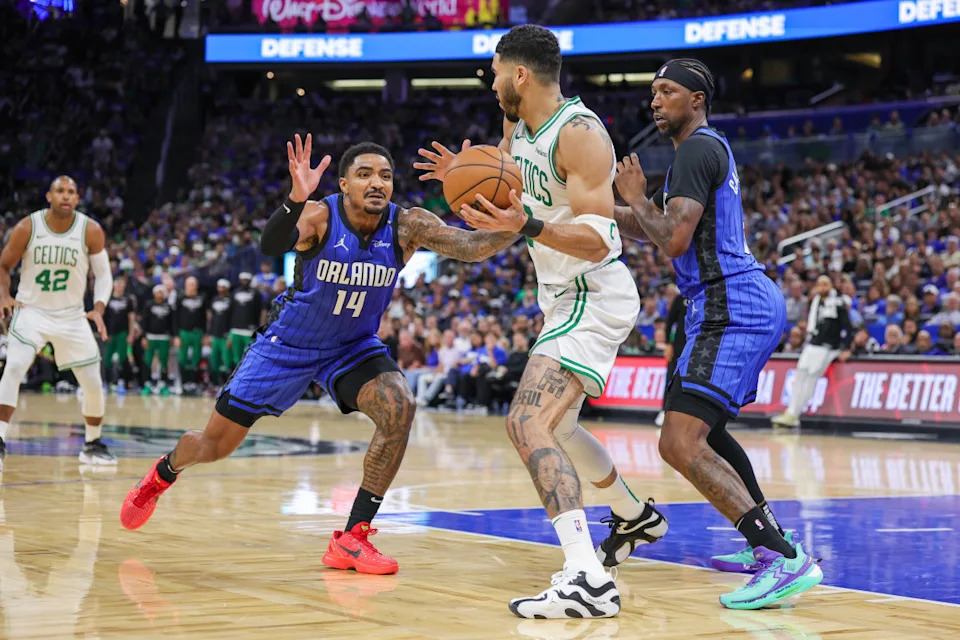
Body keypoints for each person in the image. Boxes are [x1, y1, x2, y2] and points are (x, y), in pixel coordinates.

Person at [120, 136, 527, 575]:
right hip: (286, 348)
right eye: (365, 174)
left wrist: (512, 222)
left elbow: (469, 247)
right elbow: (272, 244)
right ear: (344, 183)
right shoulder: (318, 215)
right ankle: (162, 473)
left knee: (400, 405)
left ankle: (352, 537)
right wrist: (296, 198)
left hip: (351, 347)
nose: (377, 183)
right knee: (212, 446)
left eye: (386, 176)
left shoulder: (407, 225)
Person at [417, 25, 667, 619]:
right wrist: (466, 169)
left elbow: (602, 242)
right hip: (559, 295)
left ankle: (587, 580)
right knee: (559, 427)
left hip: (592, 289)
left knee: (527, 421)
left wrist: (526, 226)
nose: (492, 80)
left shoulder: (581, 135)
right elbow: (506, 170)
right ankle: (636, 517)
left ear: (520, 75)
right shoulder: (517, 124)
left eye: (496, 70)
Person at [613, 58, 822, 609]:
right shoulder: (704, 150)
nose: (654, 101)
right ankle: (770, 546)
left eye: (666, 92)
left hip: (730, 304)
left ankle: (780, 557)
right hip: (729, 303)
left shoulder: (696, 150)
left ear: (697, 98)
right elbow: (656, 225)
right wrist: (594, 210)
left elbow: (673, 239)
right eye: (652, 92)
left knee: (678, 442)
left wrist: (634, 196)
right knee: (708, 433)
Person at [0, 176, 116, 468]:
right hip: (32, 311)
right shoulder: (28, 227)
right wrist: (4, 295)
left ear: (77, 198)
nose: (66, 196)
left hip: (71, 315)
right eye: (60, 191)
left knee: (92, 382)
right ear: (49, 196)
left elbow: (103, 275)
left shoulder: (90, 230)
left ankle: (92, 444)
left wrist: (99, 308)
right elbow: (3, 265)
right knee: (14, 367)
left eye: (72, 192)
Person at [772, 276, 852, 428]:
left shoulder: (839, 303)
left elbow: (848, 328)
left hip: (827, 347)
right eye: (820, 284)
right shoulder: (815, 302)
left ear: (830, 286)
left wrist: (846, 349)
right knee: (799, 376)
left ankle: (794, 414)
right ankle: (791, 412)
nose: (822, 287)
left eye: (825, 284)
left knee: (810, 379)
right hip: (813, 343)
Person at [103, 276, 138, 394]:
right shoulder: (108, 299)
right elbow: (104, 317)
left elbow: (131, 318)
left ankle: (122, 382)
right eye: (118, 284)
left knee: (123, 358)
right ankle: (107, 383)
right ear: (113, 285)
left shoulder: (128, 300)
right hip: (111, 333)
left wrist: (131, 334)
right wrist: (104, 331)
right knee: (107, 359)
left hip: (123, 333)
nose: (120, 286)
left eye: (122, 284)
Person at [139, 285, 174, 396]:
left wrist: (173, 336)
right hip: (150, 337)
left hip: (164, 338)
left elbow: (172, 323)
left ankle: (162, 385)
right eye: (158, 292)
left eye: (161, 293)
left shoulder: (169, 307)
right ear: (154, 294)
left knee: (164, 362)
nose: (159, 295)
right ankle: (147, 385)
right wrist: (144, 337)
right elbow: (144, 322)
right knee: (148, 361)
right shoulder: (148, 305)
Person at [176, 276, 207, 395]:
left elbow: (204, 317)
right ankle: (183, 383)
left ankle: (194, 383)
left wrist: (205, 334)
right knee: (182, 358)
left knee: (196, 358)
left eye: (194, 284)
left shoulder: (202, 299)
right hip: (184, 332)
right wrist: (176, 335)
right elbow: (175, 317)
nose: (192, 286)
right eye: (190, 284)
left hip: (198, 332)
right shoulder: (180, 298)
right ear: (185, 285)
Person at [227, 272, 261, 368]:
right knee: (235, 357)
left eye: (246, 280)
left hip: (249, 330)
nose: (244, 281)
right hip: (235, 329)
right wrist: (230, 330)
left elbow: (259, 311)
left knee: (249, 356)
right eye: (243, 279)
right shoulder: (234, 292)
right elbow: (230, 311)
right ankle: (234, 379)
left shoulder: (256, 293)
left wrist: (257, 328)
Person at [207, 279, 232, 388]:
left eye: (223, 287)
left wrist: (230, 336)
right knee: (214, 361)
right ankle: (214, 384)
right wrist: (209, 334)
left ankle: (226, 384)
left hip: (226, 336)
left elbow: (233, 319)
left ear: (227, 289)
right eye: (219, 287)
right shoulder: (214, 299)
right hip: (214, 335)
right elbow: (210, 318)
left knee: (226, 361)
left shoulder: (231, 301)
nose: (221, 290)